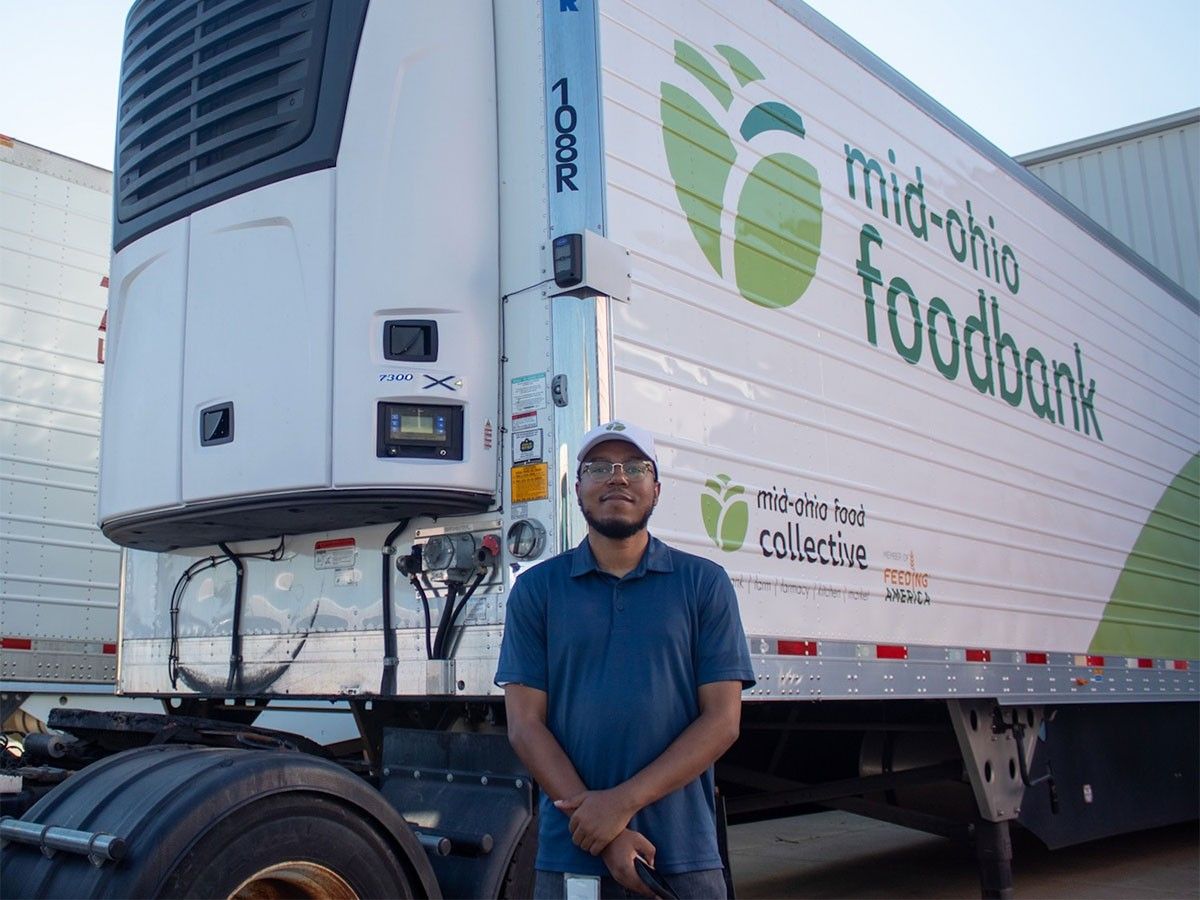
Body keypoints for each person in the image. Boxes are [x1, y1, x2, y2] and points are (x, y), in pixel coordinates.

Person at [495, 419, 756, 899]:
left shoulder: (703, 584)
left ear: (656, 488)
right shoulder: (537, 591)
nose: (617, 478)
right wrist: (607, 833)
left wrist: (619, 805)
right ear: (577, 490)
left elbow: (723, 721)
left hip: (682, 854)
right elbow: (525, 726)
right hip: (572, 854)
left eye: (634, 467)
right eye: (599, 467)